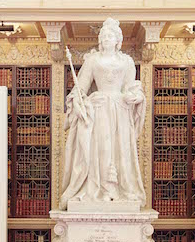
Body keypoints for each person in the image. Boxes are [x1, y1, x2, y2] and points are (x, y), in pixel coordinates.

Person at [60, 18, 146, 208]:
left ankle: (121, 189)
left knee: (121, 150)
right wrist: (79, 100)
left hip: (121, 110)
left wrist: (136, 96)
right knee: (102, 148)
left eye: (110, 35)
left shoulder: (127, 61)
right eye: (103, 35)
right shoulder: (93, 60)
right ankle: (102, 189)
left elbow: (131, 87)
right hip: (99, 109)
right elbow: (80, 88)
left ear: (118, 40)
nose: (106, 38)